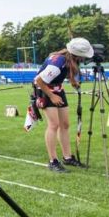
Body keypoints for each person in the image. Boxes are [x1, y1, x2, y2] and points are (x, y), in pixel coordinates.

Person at [32, 37, 94, 172]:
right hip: (44, 90)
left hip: (57, 89)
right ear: (77, 55)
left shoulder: (69, 59)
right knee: (53, 125)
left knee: (65, 124)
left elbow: (66, 73)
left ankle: (67, 157)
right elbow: (39, 80)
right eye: (83, 56)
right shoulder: (58, 62)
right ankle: (53, 161)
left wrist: (72, 82)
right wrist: (52, 96)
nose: (84, 59)